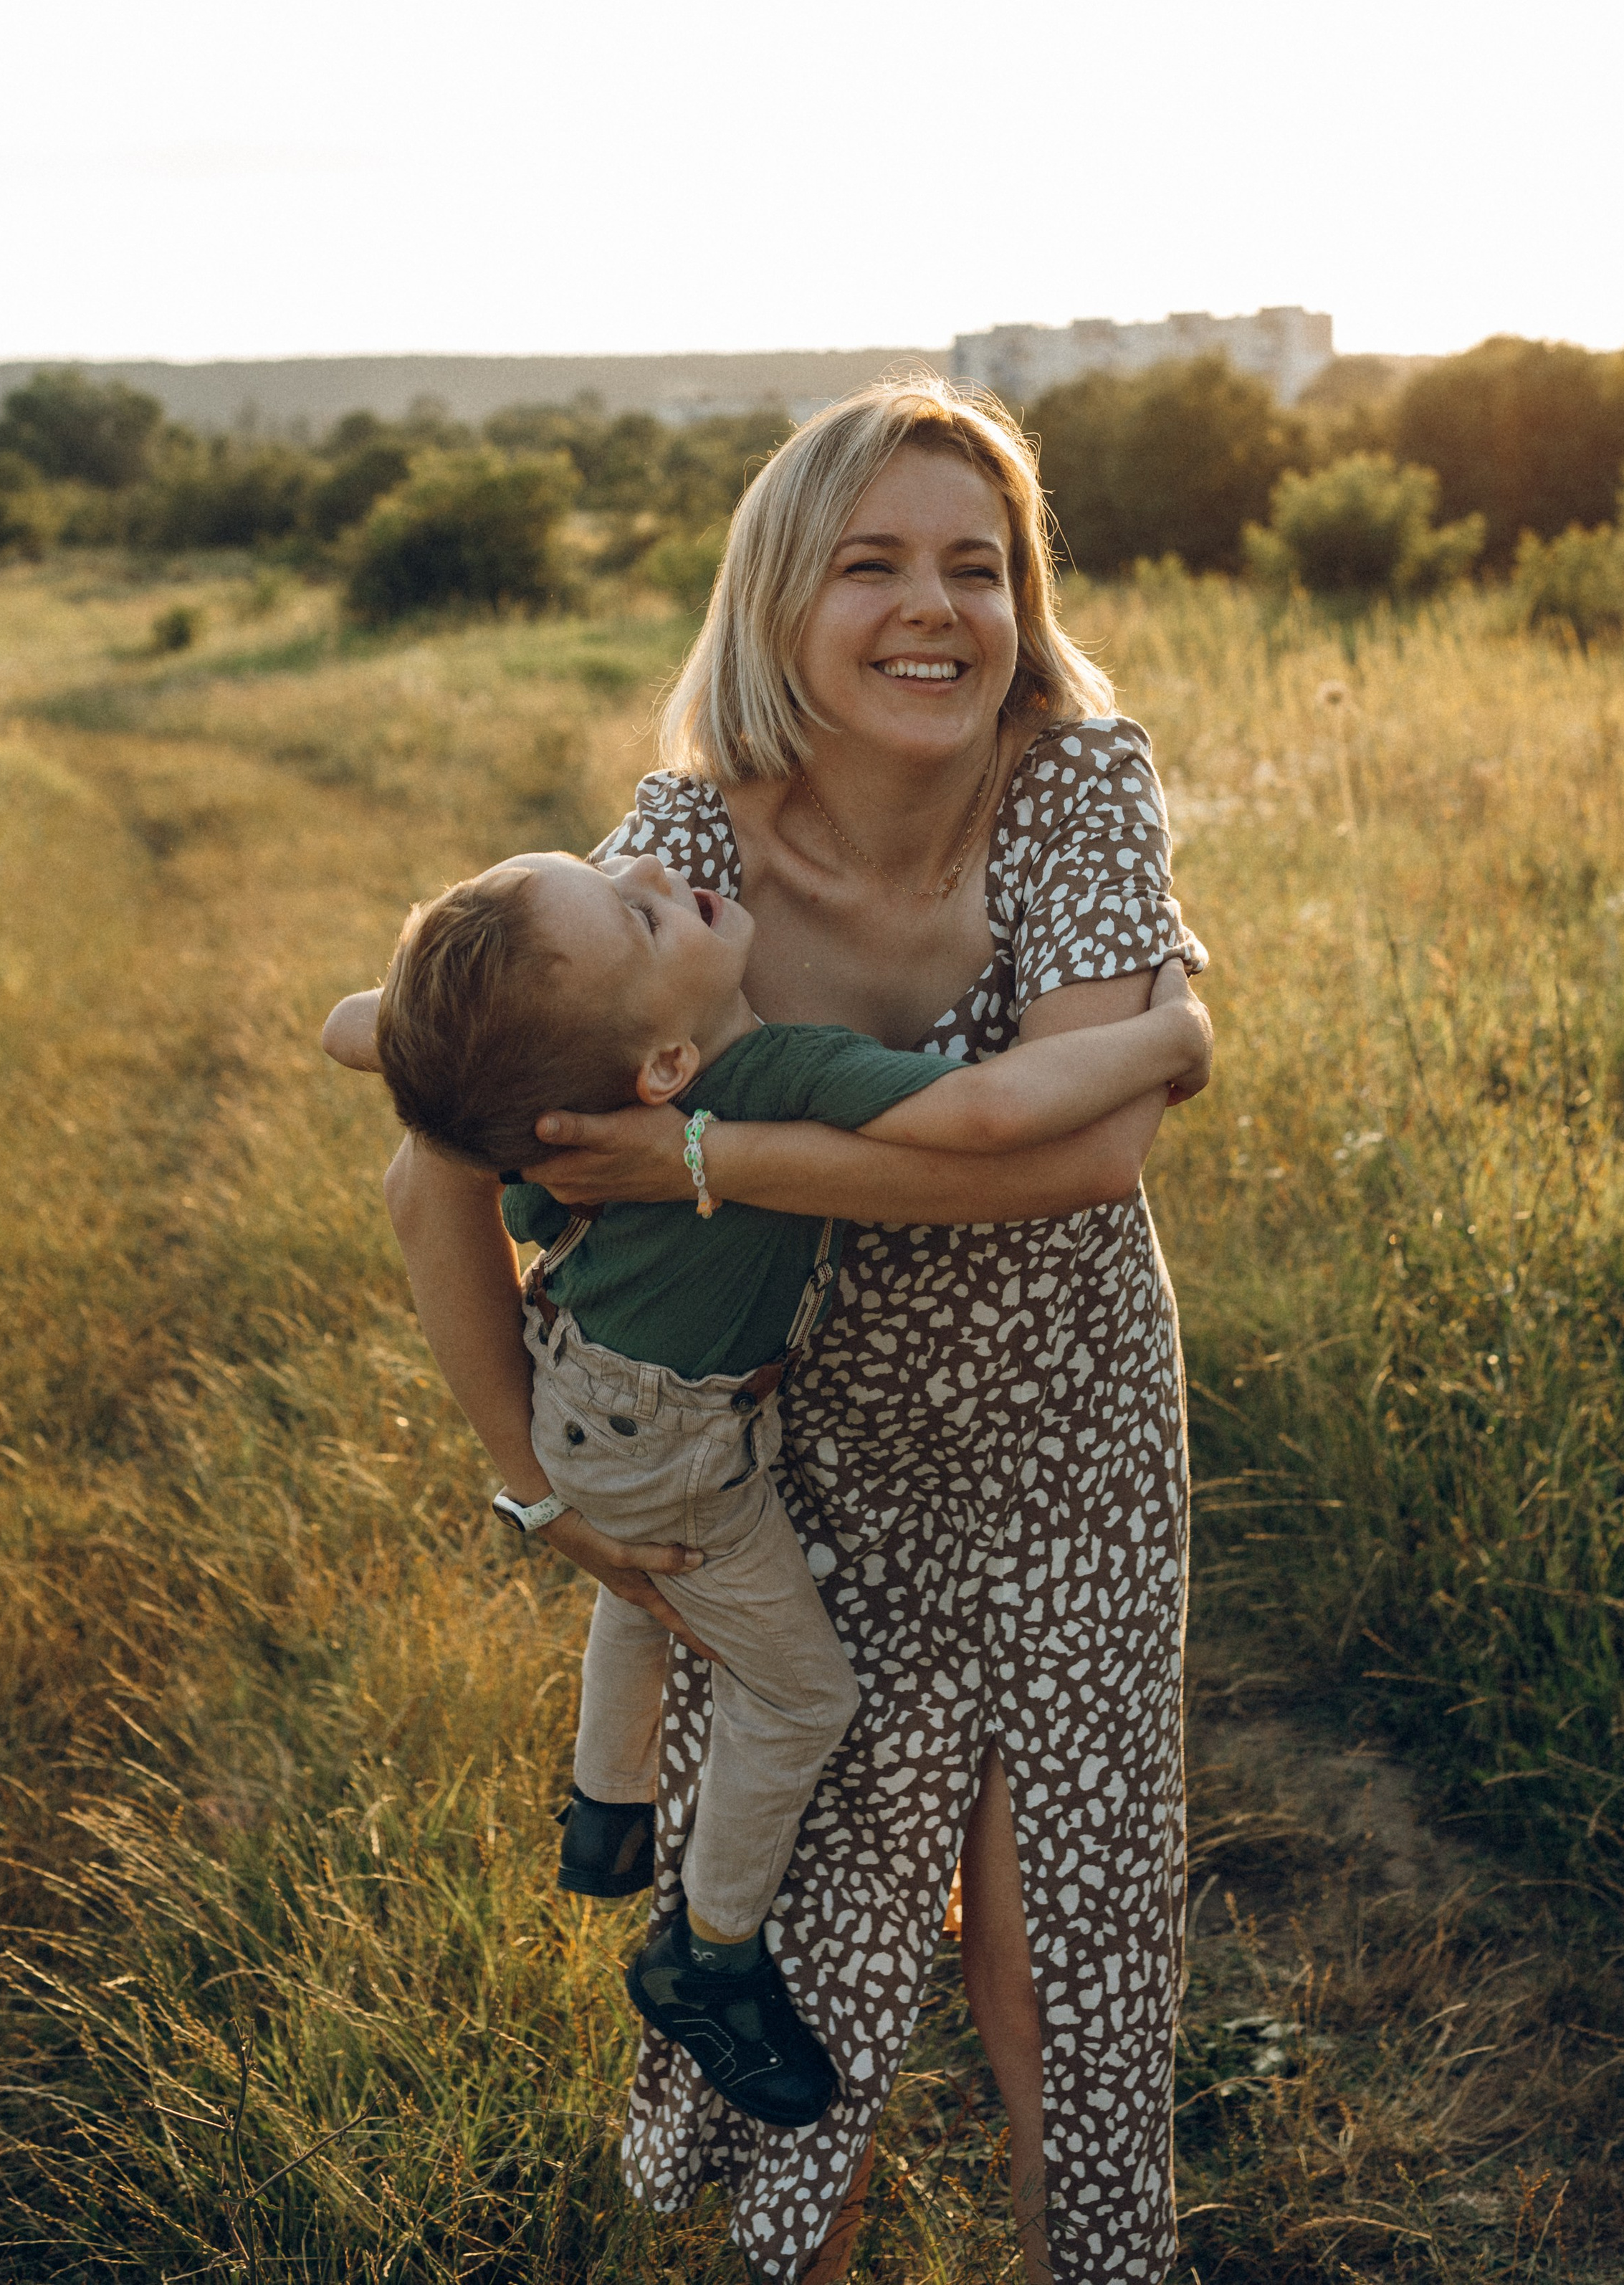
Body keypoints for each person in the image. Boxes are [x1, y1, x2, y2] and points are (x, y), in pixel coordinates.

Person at [380, 380, 1211, 2285]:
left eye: (977, 567)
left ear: (1025, 605)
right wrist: (536, 1491)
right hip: (789, 1463)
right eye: (874, 563)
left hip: (1070, 1439)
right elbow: (437, 1169)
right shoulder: (683, 851)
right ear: (777, 601)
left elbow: (1095, 1157)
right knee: (820, 1937)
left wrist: (710, 1155)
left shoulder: (1081, 778)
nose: (936, 607)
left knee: (1061, 1943)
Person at [325, 846, 1208, 2135]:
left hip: (574, 1396)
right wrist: (1172, 1031)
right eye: (630, 906)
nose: (648, 860)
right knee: (800, 1691)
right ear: (666, 1070)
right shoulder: (778, 1072)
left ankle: (604, 1812)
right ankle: (710, 1952)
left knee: (640, 1579)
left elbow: (352, 1028)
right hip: (681, 1449)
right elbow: (990, 1117)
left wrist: (413, 1032)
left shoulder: (551, 1078)